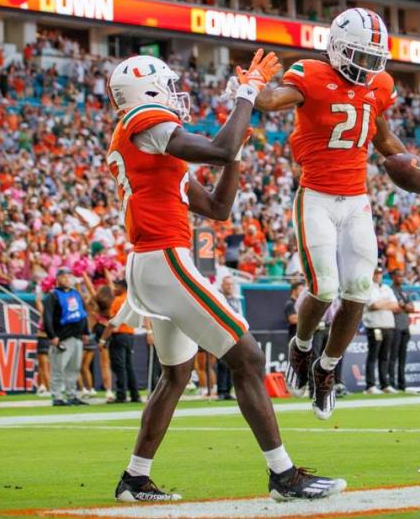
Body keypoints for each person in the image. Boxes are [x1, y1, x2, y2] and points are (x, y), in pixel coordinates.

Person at [104, 53, 343, 502]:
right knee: (248, 358)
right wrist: (247, 93)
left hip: (154, 261)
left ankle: (134, 479)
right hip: (163, 259)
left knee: (175, 377)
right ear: (146, 89)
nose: (175, 92)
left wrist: (236, 153)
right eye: (168, 84)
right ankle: (283, 474)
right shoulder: (144, 119)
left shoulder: (152, 147)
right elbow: (217, 148)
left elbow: (218, 208)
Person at [256, 9, 420, 420]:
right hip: (315, 194)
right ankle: (299, 349)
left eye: (373, 58)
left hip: (357, 200)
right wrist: (252, 86)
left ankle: (327, 369)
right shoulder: (311, 75)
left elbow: (382, 136)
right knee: (325, 288)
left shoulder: (378, 85)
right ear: (335, 48)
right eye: (359, 56)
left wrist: (412, 164)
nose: (367, 67)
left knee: (358, 290)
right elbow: (272, 101)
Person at [43, 268, 91, 407]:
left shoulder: (75, 293)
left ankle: (71, 394)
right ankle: (57, 396)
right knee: (58, 367)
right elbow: (47, 317)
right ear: (57, 279)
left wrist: (85, 331)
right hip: (62, 337)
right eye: (63, 277)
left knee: (74, 368)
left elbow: (82, 313)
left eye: (68, 277)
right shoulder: (53, 296)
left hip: (76, 336)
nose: (66, 279)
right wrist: (52, 335)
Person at [100, 280, 140, 404]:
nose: (114, 289)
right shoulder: (132, 301)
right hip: (130, 335)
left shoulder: (118, 301)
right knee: (129, 366)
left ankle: (121, 394)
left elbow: (113, 323)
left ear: (123, 288)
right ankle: (135, 394)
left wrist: (103, 339)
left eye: (116, 286)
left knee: (119, 367)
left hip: (119, 335)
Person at [362, 267, 398, 394]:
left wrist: (382, 303)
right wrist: (387, 302)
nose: (378, 276)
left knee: (384, 356)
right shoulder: (368, 287)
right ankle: (370, 385)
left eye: (380, 274)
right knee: (373, 355)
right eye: (375, 274)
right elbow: (374, 305)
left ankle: (385, 384)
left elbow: (396, 305)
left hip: (388, 325)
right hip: (374, 325)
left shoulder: (386, 288)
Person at [216, 274, 244, 401]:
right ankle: (221, 390)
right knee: (222, 364)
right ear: (222, 285)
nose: (229, 286)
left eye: (230, 284)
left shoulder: (236, 299)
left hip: (234, 335)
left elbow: (240, 315)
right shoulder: (219, 298)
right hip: (221, 334)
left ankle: (228, 390)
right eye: (227, 284)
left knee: (232, 364)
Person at [387, 268, 413, 391]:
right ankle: (391, 383)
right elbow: (395, 307)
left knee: (402, 357)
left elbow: (412, 308)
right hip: (395, 326)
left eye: (402, 276)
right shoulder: (390, 291)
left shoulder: (404, 291)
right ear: (393, 277)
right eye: (398, 276)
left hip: (405, 327)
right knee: (393, 356)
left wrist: (404, 306)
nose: (401, 278)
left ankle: (402, 384)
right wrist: (403, 306)